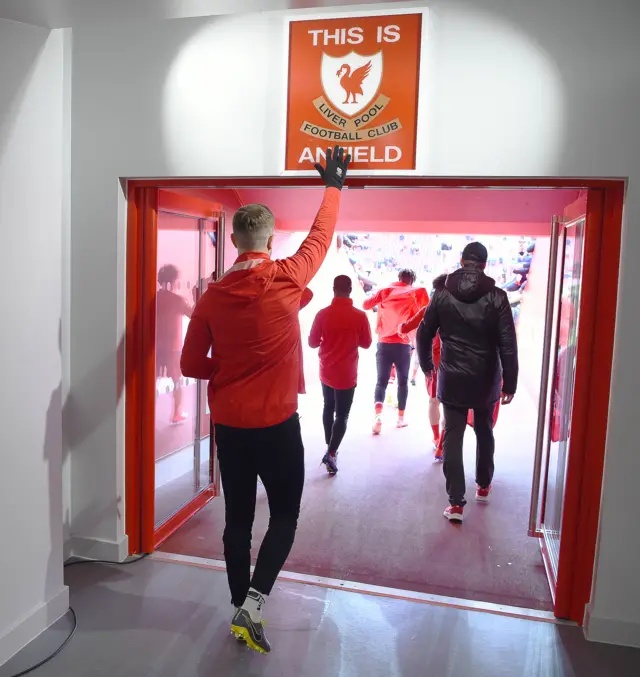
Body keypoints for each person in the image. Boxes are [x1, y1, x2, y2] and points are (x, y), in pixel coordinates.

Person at [180, 147, 351, 654]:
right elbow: (321, 236)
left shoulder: (211, 297)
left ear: (233, 240)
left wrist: (225, 370)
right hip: (278, 426)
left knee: (237, 520)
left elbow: (191, 366)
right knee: (284, 516)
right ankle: (254, 603)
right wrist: (334, 185)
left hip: (231, 428)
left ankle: (240, 606)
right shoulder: (289, 276)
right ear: (270, 239)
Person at [417, 242, 518, 523]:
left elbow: (424, 334)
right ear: (484, 265)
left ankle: (456, 504)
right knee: (484, 431)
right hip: (487, 378)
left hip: (452, 378)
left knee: (453, 436)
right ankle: (483, 485)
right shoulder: (498, 297)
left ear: (462, 261)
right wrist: (510, 383)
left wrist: (427, 365)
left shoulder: (441, 294)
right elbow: (508, 344)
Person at [308, 275, 372, 475]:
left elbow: (312, 342)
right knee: (342, 414)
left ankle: (330, 446)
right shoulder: (360, 316)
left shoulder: (322, 314)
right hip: (347, 372)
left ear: (333, 289)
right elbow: (367, 343)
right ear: (351, 289)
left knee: (328, 406)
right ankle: (332, 451)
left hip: (326, 370)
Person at [363, 269, 429, 434]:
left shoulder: (385, 291)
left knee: (381, 382)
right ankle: (400, 419)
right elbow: (427, 312)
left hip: (383, 343)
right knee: (402, 382)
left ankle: (378, 419)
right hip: (403, 344)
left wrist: (380, 300)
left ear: (399, 278)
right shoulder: (416, 293)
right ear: (411, 280)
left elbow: (366, 305)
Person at [400, 273, 447, 454]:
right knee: (450, 406)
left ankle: (436, 438)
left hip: (433, 364)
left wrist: (399, 329)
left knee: (434, 401)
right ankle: (441, 443)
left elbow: (406, 327)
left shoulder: (429, 309)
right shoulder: (461, 308)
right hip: (455, 363)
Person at [156, 264, 193, 424]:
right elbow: (194, 314)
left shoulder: (154, 299)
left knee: (153, 380)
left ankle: (148, 413)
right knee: (177, 381)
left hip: (155, 346)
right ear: (173, 280)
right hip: (173, 347)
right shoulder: (177, 300)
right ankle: (176, 413)